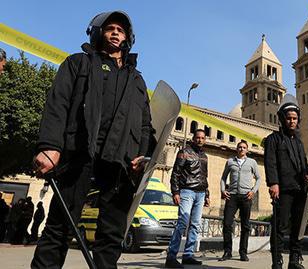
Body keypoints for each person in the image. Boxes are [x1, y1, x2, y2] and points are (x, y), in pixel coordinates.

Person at [31, 11, 155, 269]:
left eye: (120, 30)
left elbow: (146, 125)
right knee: (59, 228)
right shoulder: (79, 63)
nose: (115, 32)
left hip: (120, 164)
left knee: (111, 236)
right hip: (80, 154)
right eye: (110, 28)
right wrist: (49, 146)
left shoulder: (137, 80)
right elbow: (58, 104)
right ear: (98, 32)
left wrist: (143, 156)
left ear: (128, 38)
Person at [264, 99, 308, 269]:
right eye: (289, 118)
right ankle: (277, 261)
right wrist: (273, 183)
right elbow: (270, 163)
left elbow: (304, 164)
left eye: (294, 118)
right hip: (283, 189)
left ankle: (294, 259)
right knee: (279, 226)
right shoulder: (273, 139)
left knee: (298, 227)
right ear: (282, 119)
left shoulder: (298, 142)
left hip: (300, 189)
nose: (292, 121)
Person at [165, 129, 210, 268]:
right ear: (193, 138)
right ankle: (171, 257)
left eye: (202, 138)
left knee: (195, 225)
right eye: (198, 138)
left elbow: (204, 177)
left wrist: (207, 194)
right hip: (187, 192)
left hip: (200, 193)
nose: (200, 140)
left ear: (205, 139)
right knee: (182, 223)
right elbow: (175, 173)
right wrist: (175, 192)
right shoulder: (184, 152)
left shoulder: (205, 156)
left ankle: (188, 255)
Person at [219, 141, 261, 262]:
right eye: (240, 147)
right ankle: (227, 251)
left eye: (244, 147)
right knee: (227, 223)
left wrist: (253, 191)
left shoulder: (252, 162)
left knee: (245, 225)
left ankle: (243, 252)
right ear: (236, 149)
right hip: (232, 196)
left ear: (247, 150)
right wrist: (223, 190)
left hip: (246, 197)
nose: (242, 149)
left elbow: (258, 178)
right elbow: (223, 177)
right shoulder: (230, 161)